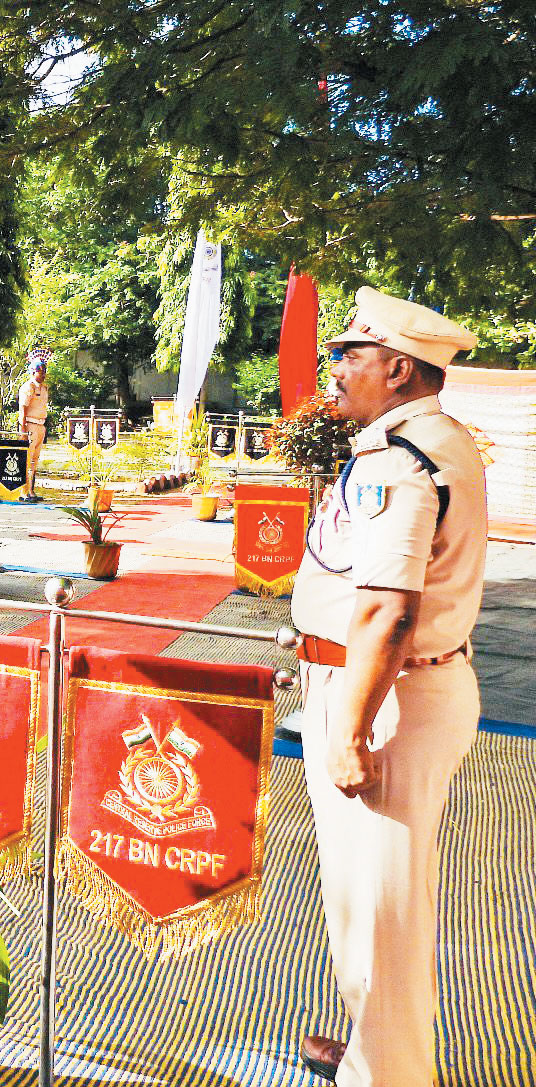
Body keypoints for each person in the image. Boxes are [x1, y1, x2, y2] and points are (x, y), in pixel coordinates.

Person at [291, 287, 486, 1087]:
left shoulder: (398, 460)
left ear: (398, 368)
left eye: (350, 355)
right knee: (362, 898)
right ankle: (373, 1050)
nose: (335, 368)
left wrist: (348, 731)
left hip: (386, 697)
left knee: (384, 915)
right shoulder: (434, 439)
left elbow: (385, 610)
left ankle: (390, 1073)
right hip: (390, 689)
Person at [18, 351, 50, 501]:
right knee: (27, 459)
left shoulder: (44, 388)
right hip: (30, 425)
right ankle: (24, 492)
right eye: (40, 370)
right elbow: (23, 410)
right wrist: (23, 431)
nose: (43, 373)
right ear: (32, 371)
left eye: (44, 370)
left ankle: (32, 491)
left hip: (40, 425)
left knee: (35, 460)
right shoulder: (28, 386)